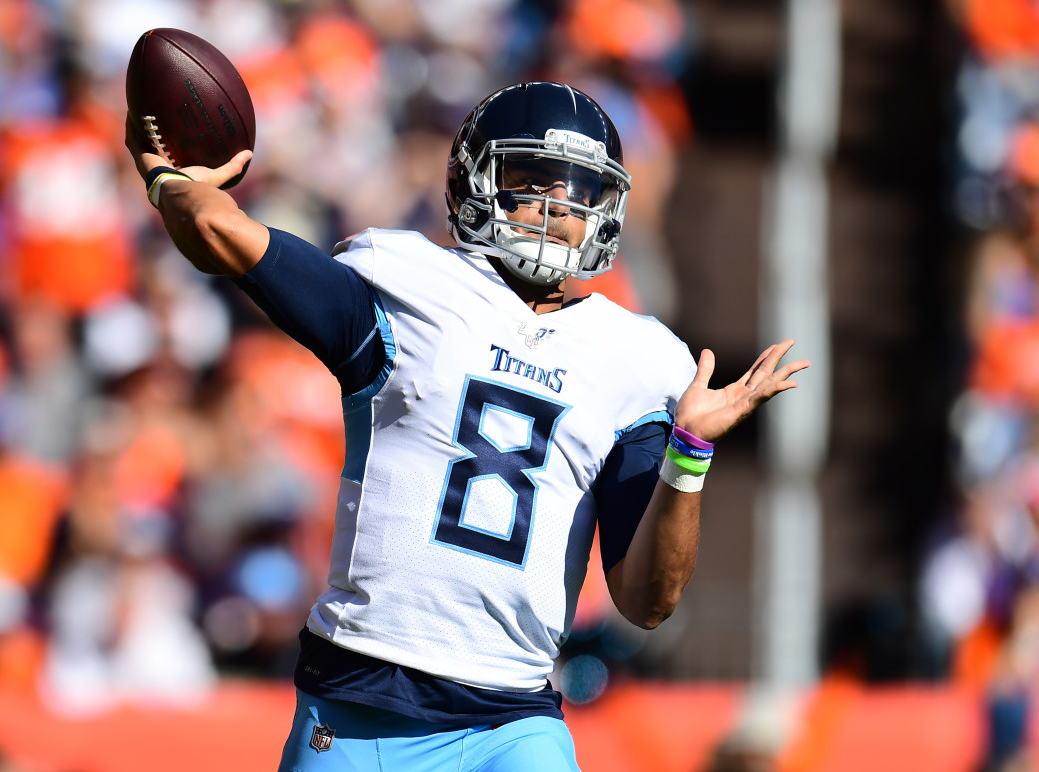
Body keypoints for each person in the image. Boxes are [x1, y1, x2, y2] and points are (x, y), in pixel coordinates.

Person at [125, 81, 807, 772]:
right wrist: (171, 185)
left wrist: (689, 453)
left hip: (510, 718)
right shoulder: (406, 283)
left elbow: (647, 601)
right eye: (532, 181)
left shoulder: (640, 359)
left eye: (579, 193)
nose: (556, 209)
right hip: (360, 698)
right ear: (472, 182)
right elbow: (227, 234)